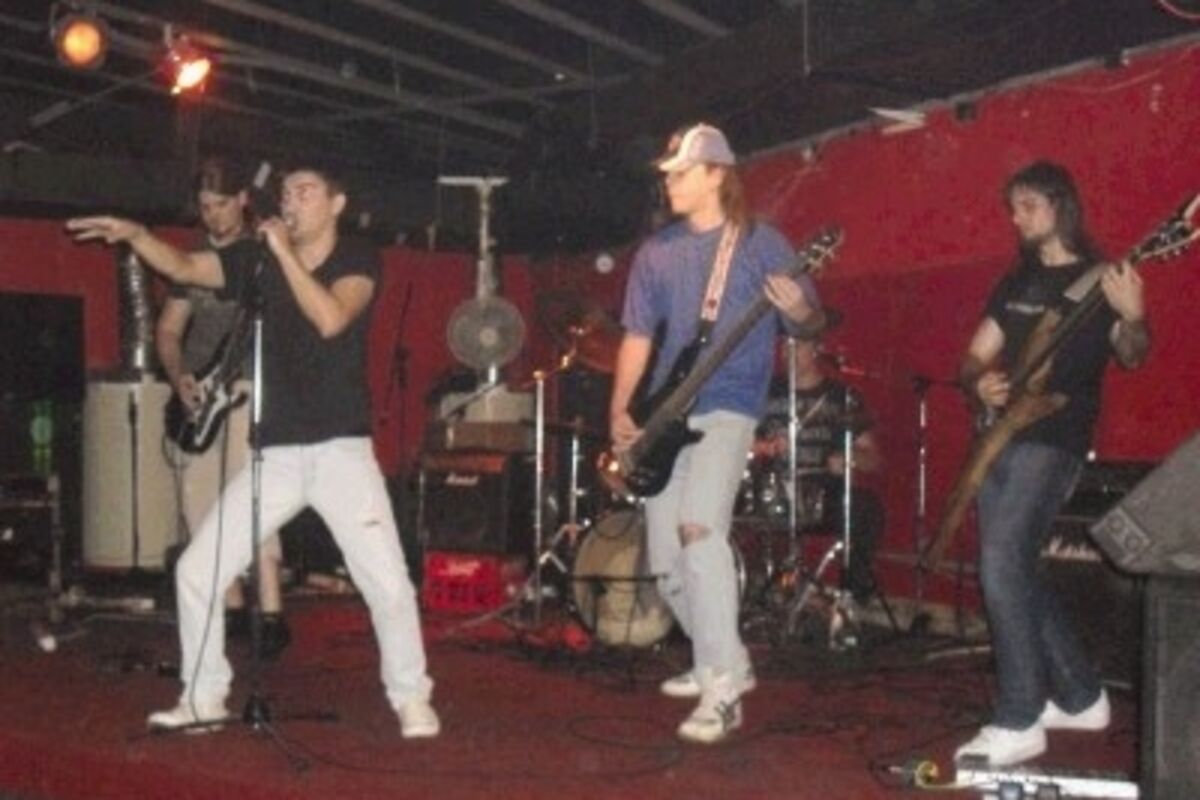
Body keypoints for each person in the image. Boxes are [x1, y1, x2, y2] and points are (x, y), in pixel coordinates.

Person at [67, 163, 439, 738]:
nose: (291, 201)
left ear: (336, 204)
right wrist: (138, 236)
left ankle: (411, 696)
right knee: (197, 570)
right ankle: (203, 697)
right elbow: (186, 267)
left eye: (305, 192)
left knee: (385, 581)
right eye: (286, 193)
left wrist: (283, 252)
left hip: (340, 450)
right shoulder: (256, 259)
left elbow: (331, 319)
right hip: (278, 453)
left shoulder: (356, 257)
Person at [610, 122, 826, 744]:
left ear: (716, 175)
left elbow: (810, 324)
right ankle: (721, 656)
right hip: (666, 415)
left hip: (729, 407)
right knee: (668, 564)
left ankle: (723, 689)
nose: (669, 183)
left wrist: (797, 309)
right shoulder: (656, 253)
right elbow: (638, 337)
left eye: (681, 173)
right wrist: (620, 410)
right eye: (668, 173)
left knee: (700, 533)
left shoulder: (759, 243)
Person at [954, 161, 1149, 766]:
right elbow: (973, 359)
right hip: (1000, 438)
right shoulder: (1015, 282)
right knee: (1013, 567)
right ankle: (1084, 696)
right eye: (1013, 207)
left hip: (1055, 438)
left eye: (1028, 206)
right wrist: (979, 382)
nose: (1016, 218)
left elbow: (1133, 355)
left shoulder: (1099, 280)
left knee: (1001, 562)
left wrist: (1133, 314)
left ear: (1060, 206)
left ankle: (1019, 718)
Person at [156, 157, 289, 659]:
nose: (212, 215)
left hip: (245, 391)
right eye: (205, 206)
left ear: (243, 200)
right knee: (200, 505)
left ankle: (271, 613)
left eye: (220, 204)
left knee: (249, 497)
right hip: (198, 398)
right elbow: (168, 331)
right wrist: (179, 377)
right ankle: (232, 605)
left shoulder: (261, 258)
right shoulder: (192, 263)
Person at [756, 336, 884, 610]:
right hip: (772, 493)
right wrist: (763, 446)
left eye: (797, 346)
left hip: (823, 496)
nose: (788, 353)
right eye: (784, 346)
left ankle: (849, 601)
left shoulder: (840, 396)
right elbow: (738, 440)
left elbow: (873, 457)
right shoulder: (765, 391)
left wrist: (850, 459)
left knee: (867, 508)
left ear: (816, 350)